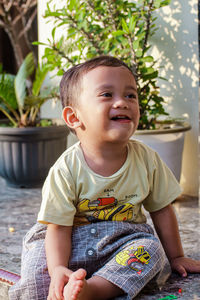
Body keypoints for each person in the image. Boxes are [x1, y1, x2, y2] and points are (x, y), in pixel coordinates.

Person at [9, 56, 200, 300]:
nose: (122, 102)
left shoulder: (147, 160)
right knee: (40, 263)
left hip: (122, 243)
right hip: (70, 242)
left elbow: (162, 210)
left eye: (131, 95)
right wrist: (58, 269)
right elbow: (57, 228)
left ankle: (93, 291)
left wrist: (176, 257)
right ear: (74, 118)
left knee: (151, 250)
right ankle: (63, 289)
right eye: (107, 95)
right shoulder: (66, 168)